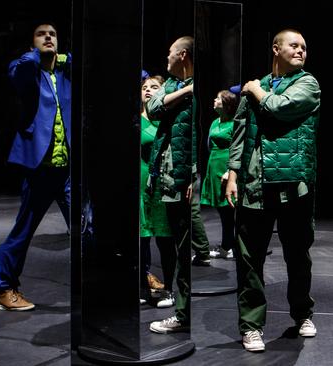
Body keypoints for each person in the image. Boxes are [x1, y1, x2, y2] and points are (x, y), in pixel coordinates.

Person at [225, 29, 321, 352]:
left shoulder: (308, 84)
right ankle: (251, 326)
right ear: (276, 49)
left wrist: (254, 91)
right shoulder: (256, 87)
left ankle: (303, 313)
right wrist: (234, 174)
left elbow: (279, 107)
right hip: (255, 183)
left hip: (294, 186)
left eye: (304, 47)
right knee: (249, 258)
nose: (301, 51)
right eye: (294, 45)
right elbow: (239, 131)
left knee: (297, 255)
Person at [0, 23, 71, 311]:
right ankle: (4, 288)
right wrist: (39, 56)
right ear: (32, 44)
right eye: (42, 34)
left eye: (53, 33)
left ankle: (98, 287)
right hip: (40, 168)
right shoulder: (27, 70)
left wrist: (67, 59)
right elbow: (18, 69)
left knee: (87, 230)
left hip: (67, 169)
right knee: (23, 231)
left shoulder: (65, 72)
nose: (49, 36)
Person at [147, 36, 195, 333]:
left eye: (170, 53)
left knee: (184, 246)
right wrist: (188, 90)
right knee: (177, 245)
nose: (166, 58)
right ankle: (182, 310)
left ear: (183, 55)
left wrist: (194, 173)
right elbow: (152, 107)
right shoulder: (175, 85)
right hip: (167, 177)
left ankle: (184, 313)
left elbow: (199, 134)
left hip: (186, 178)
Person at [139, 74, 176, 308]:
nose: (148, 91)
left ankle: (170, 289)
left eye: (154, 87)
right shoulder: (135, 121)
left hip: (163, 183)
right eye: (144, 87)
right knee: (141, 239)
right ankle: (142, 286)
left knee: (164, 239)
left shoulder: (167, 120)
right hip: (140, 184)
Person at [201, 90, 239, 260]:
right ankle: (228, 244)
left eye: (218, 98)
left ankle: (228, 246)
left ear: (227, 104)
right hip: (213, 164)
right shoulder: (215, 122)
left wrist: (229, 171)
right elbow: (209, 144)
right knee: (222, 210)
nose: (214, 100)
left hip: (225, 166)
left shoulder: (234, 124)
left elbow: (237, 149)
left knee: (228, 210)